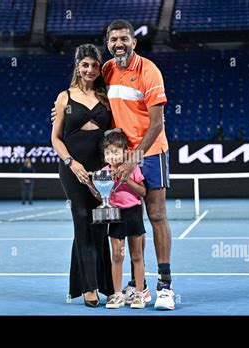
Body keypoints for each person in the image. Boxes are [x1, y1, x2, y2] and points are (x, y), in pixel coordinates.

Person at [52, 20, 175, 310]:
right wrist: (60, 113)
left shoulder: (149, 71)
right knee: (127, 221)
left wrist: (132, 158)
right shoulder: (106, 69)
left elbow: (157, 125)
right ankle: (138, 287)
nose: (118, 44)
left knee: (156, 215)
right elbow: (84, 96)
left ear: (134, 41)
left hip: (150, 153)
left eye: (124, 39)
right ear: (107, 43)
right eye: (113, 40)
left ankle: (165, 286)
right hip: (117, 158)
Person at [51, 43, 113, 307]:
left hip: (102, 174)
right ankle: (89, 288)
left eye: (94, 65)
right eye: (85, 65)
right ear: (77, 66)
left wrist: (111, 168)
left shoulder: (106, 96)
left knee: (100, 227)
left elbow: (115, 135)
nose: (90, 70)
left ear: (100, 68)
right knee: (81, 221)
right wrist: (71, 162)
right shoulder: (64, 97)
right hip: (72, 170)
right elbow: (55, 138)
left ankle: (105, 283)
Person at [101, 129, 147, 309]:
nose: (111, 156)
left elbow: (143, 192)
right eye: (108, 152)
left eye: (115, 152)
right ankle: (117, 294)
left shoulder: (133, 168)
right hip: (115, 215)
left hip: (133, 213)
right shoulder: (104, 172)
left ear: (125, 152)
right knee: (117, 255)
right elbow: (100, 196)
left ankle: (139, 294)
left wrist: (127, 180)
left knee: (137, 255)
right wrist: (98, 185)